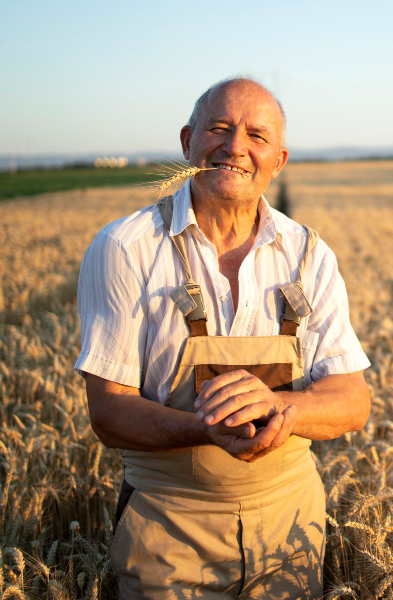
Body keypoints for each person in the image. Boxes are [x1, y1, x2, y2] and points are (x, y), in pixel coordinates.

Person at [74, 77, 371, 599]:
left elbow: (352, 401)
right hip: (166, 532)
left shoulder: (310, 256)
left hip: (291, 530)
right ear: (188, 140)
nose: (236, 147)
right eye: (219, 128)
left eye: (256, 135)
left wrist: (285, 410)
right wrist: (206, 428)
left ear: (278, 161)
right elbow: (108, 412)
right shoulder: (125, 248)